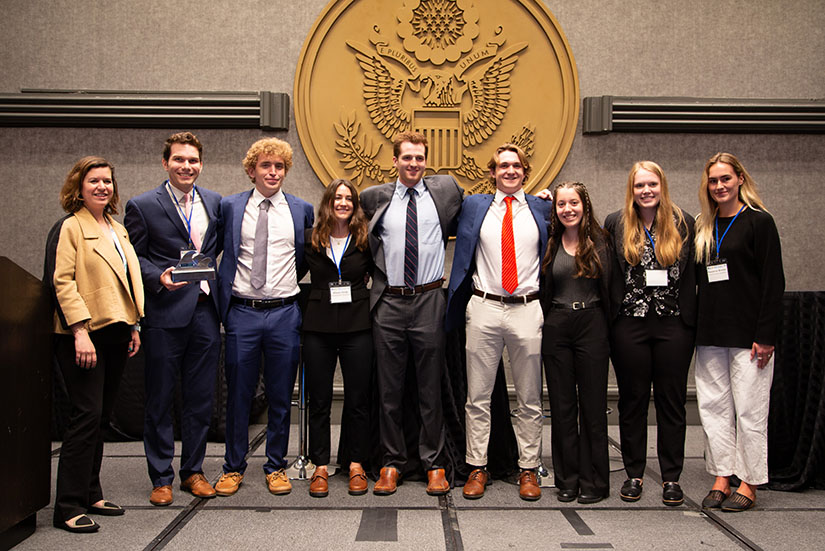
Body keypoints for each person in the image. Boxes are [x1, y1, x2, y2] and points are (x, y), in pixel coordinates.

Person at [360, 131, 463, 496]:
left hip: (429, 300)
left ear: (426, 160)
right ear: (395, 161)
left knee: (429, 388)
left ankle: (434, 464)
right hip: (388, 302)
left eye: (419, 158)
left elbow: (485, 205)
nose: (414, 164)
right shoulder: (374, 198)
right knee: (389, 390)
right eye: (407, 158)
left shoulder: (445, 191)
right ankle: (392, 463)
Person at [44, 157, 144, 532]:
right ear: (78, 186)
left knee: (101, 417)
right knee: (84, 417)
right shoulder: (70, 227)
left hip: (117, 332)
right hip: (83, 335)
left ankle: (91, 492)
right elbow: (62, 282)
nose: (102, 187)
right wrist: (80, 332)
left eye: (107, 181)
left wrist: (134, 324)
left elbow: (123, 282)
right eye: (94, 181)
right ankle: (67, 506)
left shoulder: (116, 229)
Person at [445, 144, 550, 501]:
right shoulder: (474, 206)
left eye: (516, 166)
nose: (510, 171)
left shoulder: (542, 208)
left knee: (530, 397)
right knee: (478, 397)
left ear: (525, 171)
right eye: (503, 166)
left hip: (527, 309)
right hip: (484, 307)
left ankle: (528, 469)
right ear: (492, 172)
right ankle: (477, 467)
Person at [125, 132, 222, 506]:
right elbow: (135, 257)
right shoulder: (143, 205)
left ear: (200, 164)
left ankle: (193, 471)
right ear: (165, 163)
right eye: (179, 160)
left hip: (204, 311)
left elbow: (215, 250)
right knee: (161, 398)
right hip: (165, 311)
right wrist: (157, 277)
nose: (187, 166)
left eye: (193, 160)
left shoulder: (213, 201)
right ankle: (161, 476)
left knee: (200, 399)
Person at [215, 138, 314, 497]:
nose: (273, 173)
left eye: (280, 167)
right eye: (266, 166)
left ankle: (275, 466)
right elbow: (217, 253)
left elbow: (303, 259)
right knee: (238, 394)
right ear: (252, 169)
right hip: (243, 312)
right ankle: (233, 466)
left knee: (279, 395)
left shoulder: (301, 210)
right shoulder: (230, 207)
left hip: (285, 313)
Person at [694, 152, 784, 512]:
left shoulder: (759, 223)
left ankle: (748, 481)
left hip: (750, 336)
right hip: (710, 333)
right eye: (713, 181)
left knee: (749, 410)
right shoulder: (704, 224)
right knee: (714, 408)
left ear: (740, 180)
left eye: (725, 179)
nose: (719, 186)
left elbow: (773, 282)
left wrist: (766, 335)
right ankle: (721, 475)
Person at [604, 161, 696, 506]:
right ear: (632, 189)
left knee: (672, 402)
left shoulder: (683, 222)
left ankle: (672, 477)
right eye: (640, 185)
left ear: (662, 186)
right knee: (633, 400)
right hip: (630, 323)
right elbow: (609, 273)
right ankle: (634, 474)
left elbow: (692, 274)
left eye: (652, 185)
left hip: (673, 324)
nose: (646, 191)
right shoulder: (616, 223)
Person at [540, 181, 613, 504]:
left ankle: (594, 481)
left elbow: (613, 289)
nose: (568, 209)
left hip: (593, 324)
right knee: (562, 407)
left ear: (585, 205)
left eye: (574, 203)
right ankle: (567, 480)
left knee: (593, 408)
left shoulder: (602, 242)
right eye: (561, 204)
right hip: (557, 325)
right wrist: (541, 201)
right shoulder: (550, 242)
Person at [303, 179, 373, 498]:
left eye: (348, 198)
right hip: (318, 328)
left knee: (358, 399)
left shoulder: (365, 240)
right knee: (319, 399)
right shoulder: (310, 238)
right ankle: (320, 465)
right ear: (328, 202)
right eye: (337, 197)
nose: (342, 202)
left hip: (358, 327)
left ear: (355, 205)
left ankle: (355, 463)